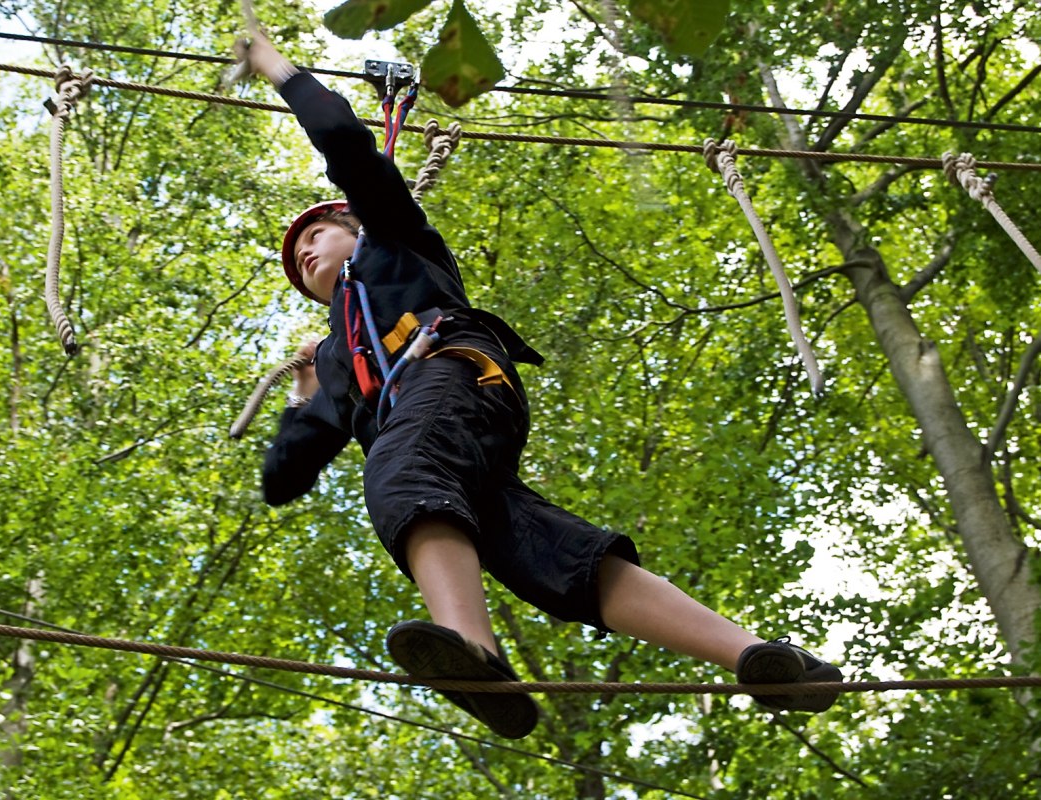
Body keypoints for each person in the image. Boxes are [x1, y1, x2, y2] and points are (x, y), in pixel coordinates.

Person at [248, 33, 842, 739]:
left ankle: (472, 651)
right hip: (451, 435)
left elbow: (346, 143)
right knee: (548, 558)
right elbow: (286, 478)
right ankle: (761, 658)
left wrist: (277, 69)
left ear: (352, 224)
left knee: (402, 472)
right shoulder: (341, 363)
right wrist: (305, 390)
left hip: (453, 375)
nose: (306, 251)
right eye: (295, 259)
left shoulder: (393, 243)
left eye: (316, 233)